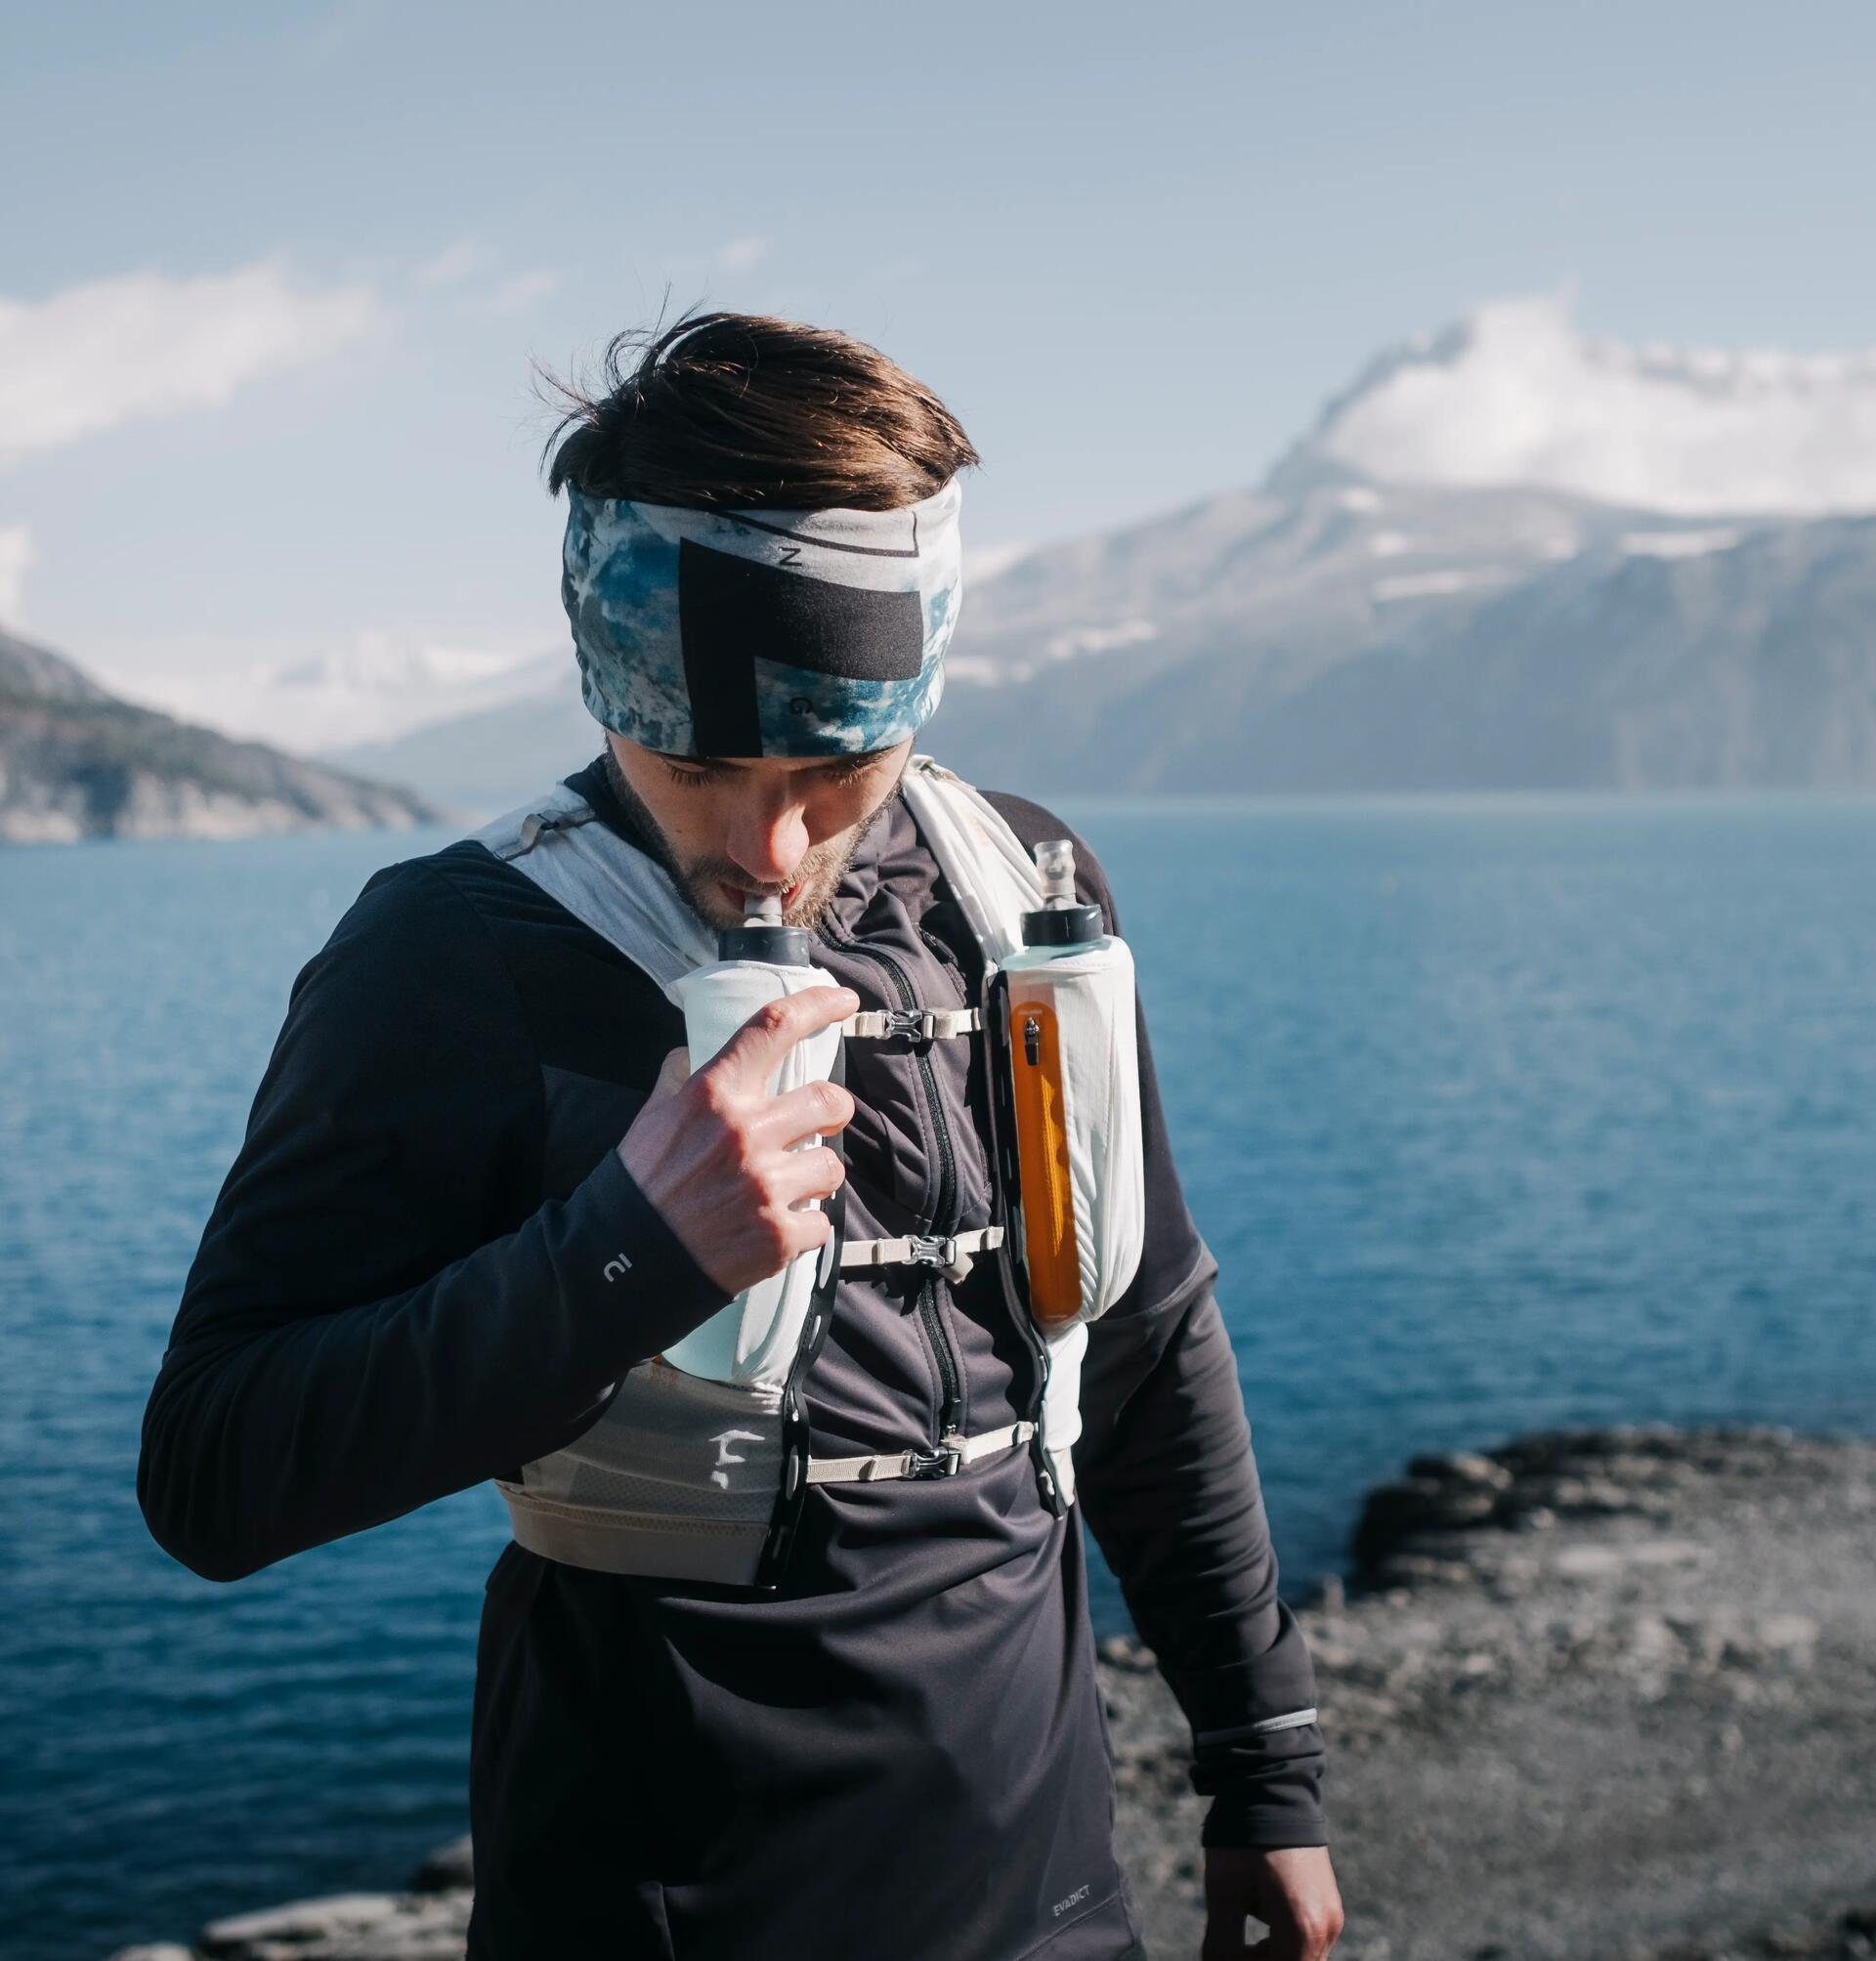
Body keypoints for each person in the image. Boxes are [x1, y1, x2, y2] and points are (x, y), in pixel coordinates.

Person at [138, 310, 1343, 1961]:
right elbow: (213, 1472)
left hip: (1058, 1903)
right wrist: (622, 1247)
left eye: (837, 768)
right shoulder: (453, 954)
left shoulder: (1025, 891)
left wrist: (1264, 1767)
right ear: (601, 666)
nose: (768, 851)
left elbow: (1144, 1339)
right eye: (698, 764)